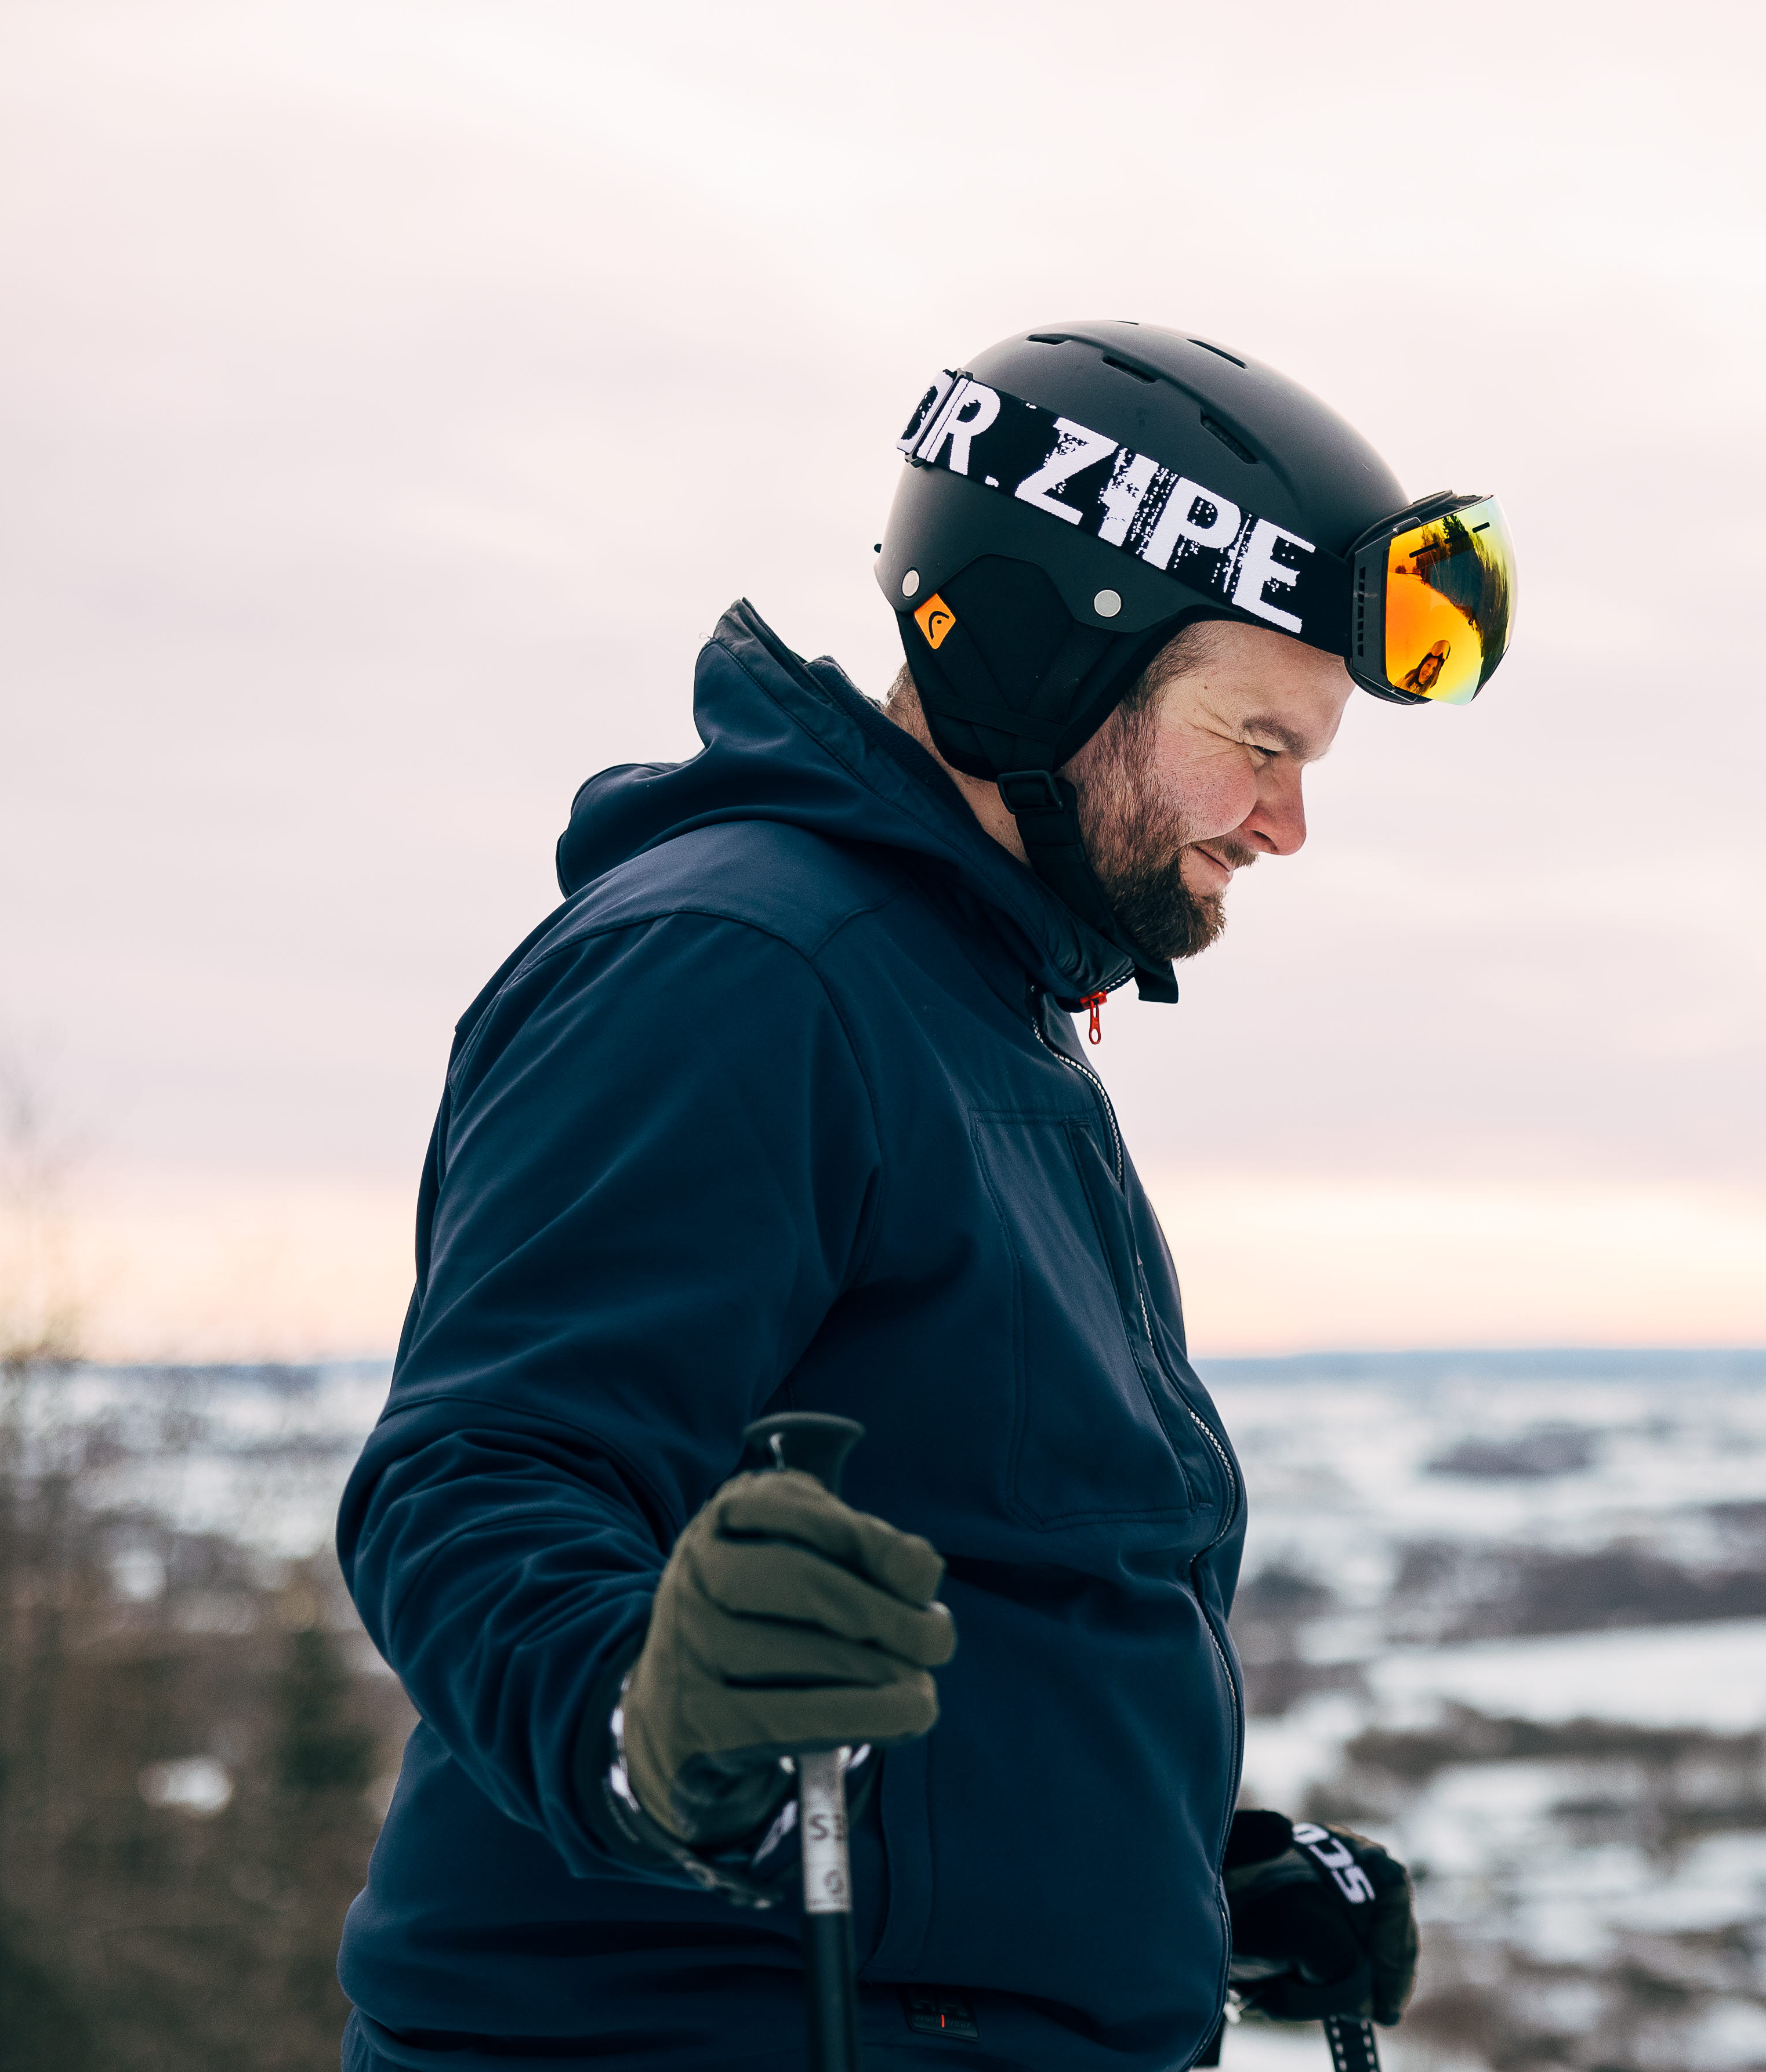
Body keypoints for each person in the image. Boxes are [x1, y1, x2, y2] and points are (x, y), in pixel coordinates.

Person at [335, 321, 1512, 2070]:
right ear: (1045, 665)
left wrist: (1176, 1875)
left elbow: (986, 1568)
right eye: (1256, 738)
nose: (1284, 822)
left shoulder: (969, 1001)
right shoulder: (740, 970)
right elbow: (477, 1479)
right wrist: (646, 1728)